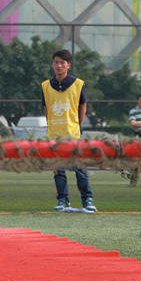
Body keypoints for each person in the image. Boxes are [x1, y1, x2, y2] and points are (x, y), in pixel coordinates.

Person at [41, 49, 97, 212]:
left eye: (62, 63)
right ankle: (63, 200)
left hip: (73, 134)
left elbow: (83, 105)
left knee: (80, 168)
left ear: (68, 65)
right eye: (56, 62)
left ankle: (87, 199)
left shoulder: (78, 84)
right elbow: (46, 108)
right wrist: (51, 126)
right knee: (58, 171)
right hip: (54, 135)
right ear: (52, 64)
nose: (59, 65)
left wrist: (78, 125)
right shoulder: (45, 85)